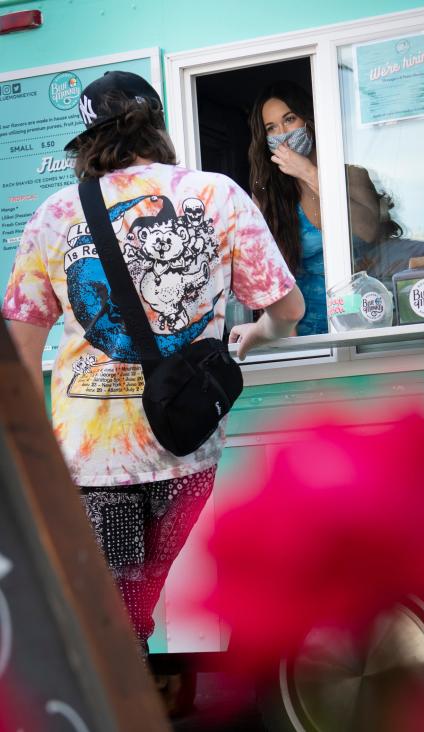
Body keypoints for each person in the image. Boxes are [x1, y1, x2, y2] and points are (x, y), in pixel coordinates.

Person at [1, 71, 305, 663]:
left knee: (113, 618)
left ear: (86, 140)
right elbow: (288, 310)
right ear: (158, 127)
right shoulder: (218, 195)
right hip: (187, 445)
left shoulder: (54, 216)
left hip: (91, 460)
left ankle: (128, 689)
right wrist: (256, 335)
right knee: (135, 604)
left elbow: (17, 355)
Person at [247, 81, 424, 331]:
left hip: (366, 315)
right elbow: (272, 277)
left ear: (308, 120)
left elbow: (369, 229)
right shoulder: (268, 197)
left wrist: (310, 174)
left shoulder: (352, 176)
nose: (283, 133)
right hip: (306, 326)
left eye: (289, 119)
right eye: (272, 128)